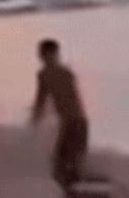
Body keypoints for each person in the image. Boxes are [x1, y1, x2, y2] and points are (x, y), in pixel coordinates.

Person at [30, 39, 89, 188]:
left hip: (73, 123)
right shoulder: (66, 73)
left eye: (44, 54)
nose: (43, 58)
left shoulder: (45, 74)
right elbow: (48, 101)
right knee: (68, 164)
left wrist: (33, 121)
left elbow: (41, 102)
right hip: (78, 122)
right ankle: (76, 196)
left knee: (61, 166)